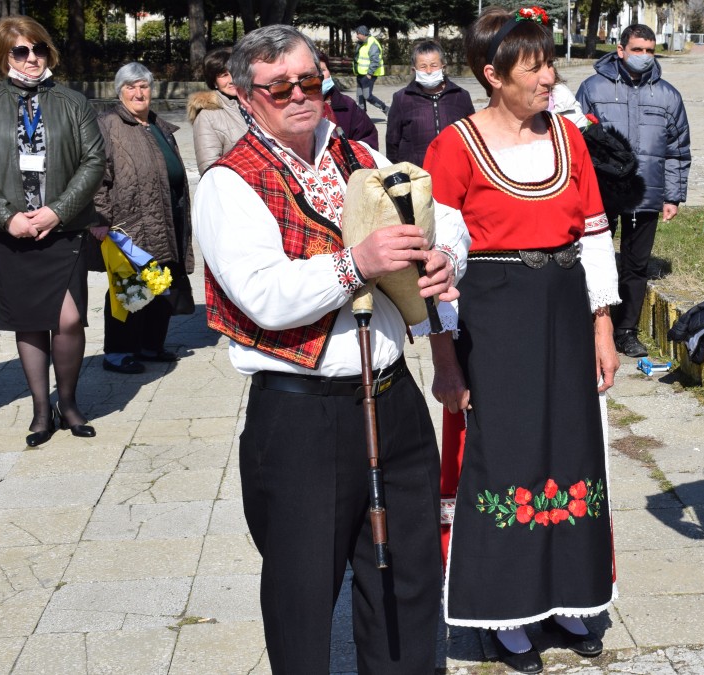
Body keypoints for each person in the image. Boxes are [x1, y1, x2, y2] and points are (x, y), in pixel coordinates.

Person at [192, 25, 468, 673]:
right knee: (302, 590)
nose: (297, 96)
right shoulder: (230, 184)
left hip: (393, 400)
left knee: (408, 575)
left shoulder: (361, 155)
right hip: (300, 416)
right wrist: (356, 264)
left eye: (309, 81)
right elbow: (265, 295)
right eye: (279, 86)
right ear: (244, 95)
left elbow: (442, 213)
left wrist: (446, 257)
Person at [424, 7, 620, 673]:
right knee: (507, 458)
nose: (549, 76)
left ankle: (570, 596)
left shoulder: (570, 139)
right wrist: (445, 355)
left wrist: (602, 325)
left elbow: (593, 232)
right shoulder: (454, 146)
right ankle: (510, 610)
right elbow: (440, 263)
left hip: (565, 312)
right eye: (533, 66)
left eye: (547, 63)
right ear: (492, 75)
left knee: (571, 447)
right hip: (495, 319)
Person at [0, 16, 106, 446]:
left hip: (63, 227)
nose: (32, 57)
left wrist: (57, 211)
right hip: (12, 231)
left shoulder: (73, 102)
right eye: (21, 50)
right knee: (30, 322)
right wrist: (8, 217)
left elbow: (94, 161)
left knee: (70, 318)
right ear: (4, 54)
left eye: (38, 47)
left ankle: (69, 401)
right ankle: (42, 410)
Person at [576, 23, 690, 359]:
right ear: (621, 49)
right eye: (637, 49)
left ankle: (626, 330)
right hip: (603, 193)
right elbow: (575, 139)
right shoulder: (593, 88)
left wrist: (672, 195)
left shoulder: (668, 95)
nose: (643, 57)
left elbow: (677, 149)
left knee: (635, 266)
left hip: (646, 194)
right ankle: (593, 326)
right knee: (594, 261)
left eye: (650, 51)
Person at [93, 62, 195, 374]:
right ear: (119, 91)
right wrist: (100, 217)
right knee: (129, 286)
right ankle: (118, 352)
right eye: (131, 87)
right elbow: (98, 175)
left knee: (162, 281)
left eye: (144, 86)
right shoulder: (108, 125)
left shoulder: (156, 123)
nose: (139, 93)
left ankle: (150, 346)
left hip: (167, 214)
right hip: (129, 220)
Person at [384, 40, 475, 167]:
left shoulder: (460, 96)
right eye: (423, 66)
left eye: (433, 65)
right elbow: (392, 141)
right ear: (414, 69)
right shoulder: (402, 99)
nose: (428, 71)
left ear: (443, 67)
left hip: (454, 170)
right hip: (416, 173)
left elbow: (472, 136)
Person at [187, 47, 247, 175]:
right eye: (224, 75)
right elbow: (209, 168)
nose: (232, 80)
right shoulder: (207, 116)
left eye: (234, 72)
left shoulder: (256, 105)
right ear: (214, 81)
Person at [317, 50, 378, 148]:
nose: (318, 76)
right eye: (311, 73)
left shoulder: (348, 105)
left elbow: (368, 137)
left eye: (322, 71)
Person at [353, 25, 388, 114]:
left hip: (368, 75)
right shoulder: (360, 43)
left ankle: (385, 108)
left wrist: (369, 74)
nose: (356, 36)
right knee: (360, 97)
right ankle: (362, 117)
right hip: (360, 74)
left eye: (358, 34)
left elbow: (375, 60)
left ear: (364, 34)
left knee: (367, 96)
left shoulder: (372, 43)